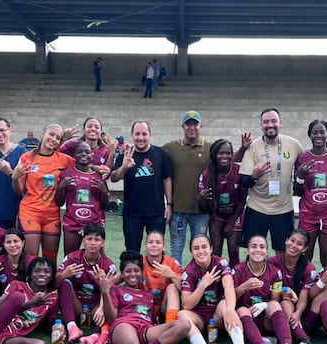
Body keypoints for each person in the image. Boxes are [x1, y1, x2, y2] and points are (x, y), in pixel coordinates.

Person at [98, 251, 191, 344]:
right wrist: (105, 293)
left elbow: (152, 319)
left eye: (136, 270)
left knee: (183, 325)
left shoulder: (148, 295)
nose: (132, 274)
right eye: (128, 271)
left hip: (145, 328)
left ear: (142, 273)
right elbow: (111, 318)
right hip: (124, 324)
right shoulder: (116, 289)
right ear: (122, 274)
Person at [239, 108, 303, 254]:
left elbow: (305, 166)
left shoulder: (294, 144)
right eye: (266, 122)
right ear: (261, 125)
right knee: (254, 252)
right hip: (257, 208)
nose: (270, 125)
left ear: (280, 123)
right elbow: (244, 182)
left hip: (283, 209)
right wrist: (254, 176)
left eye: (274, 121)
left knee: (283, 252)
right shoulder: (253, 147)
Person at [12, 123, 75, 264]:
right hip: (30, 212)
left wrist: (103, 169)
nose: (53, 139)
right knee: (30, 258)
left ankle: (50, 281)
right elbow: (19, 190)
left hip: (52, 215)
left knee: (50, 259)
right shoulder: (27, 157)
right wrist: (15, 178)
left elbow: (84, 164)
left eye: (58, 138)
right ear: (43, 133)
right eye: (51, 134)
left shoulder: (64, 160)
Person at [179, 234, 247, 344]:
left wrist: (230, 310)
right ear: (191, 252)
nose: (201, 251)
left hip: (217, 315)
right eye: (196, 248)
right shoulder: (189, 271)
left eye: (204, 247)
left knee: (225, 304)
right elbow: (186, 305)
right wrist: (203, 284)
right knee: (182, 315)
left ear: (211, 249)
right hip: (200, 317)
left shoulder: (220, 263)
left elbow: (229, 286)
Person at [232, 235, 297, 344]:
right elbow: (230, 298)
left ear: (267, 252)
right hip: (246, 319)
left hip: (267, 320)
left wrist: (264, 305)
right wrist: (244, 286)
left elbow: (275, 299)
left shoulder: (275, 272)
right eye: (254, 246)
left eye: (262, 247)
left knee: (275, 304)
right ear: (248, 250)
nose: (258, 250)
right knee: (242, 310)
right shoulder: (238, 270)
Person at [111, 120, 173, 252]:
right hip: (132, 214)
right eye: (137, 134)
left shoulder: (161, 154)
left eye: (144, 134)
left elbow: (167, 179)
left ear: (150, 135)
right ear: (132, 135)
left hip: (156, 213)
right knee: (132, 251)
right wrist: (124, 167)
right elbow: (114, 178)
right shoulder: (125, 154)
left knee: (156, 251)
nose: (140, 138)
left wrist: (169, 204)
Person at [294, 119, 327, 266]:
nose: (318, 135)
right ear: (309, 135)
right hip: (308, 215)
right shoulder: (302, 159)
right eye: (315, 132)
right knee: (304, 257)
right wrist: (300, 177)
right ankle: (305, 281)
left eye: (322, 132)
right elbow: (297, 191)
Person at [56, 223, 117, 344]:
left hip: (95, 307)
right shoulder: (72, 258)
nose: (93, 243)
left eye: (97, 239)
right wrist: (63, 275)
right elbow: (54, 284)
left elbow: (112, 291)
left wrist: (101, 306)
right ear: (84, 241)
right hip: (77, 304)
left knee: (112, 297)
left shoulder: (108, 265)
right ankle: (72, 327)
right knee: (64, 282)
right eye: (89, 239)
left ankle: (96, 336)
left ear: (103, 243)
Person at [163, 111, 212, 265]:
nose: (192, 127)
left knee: (200, 250)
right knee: (176, 248)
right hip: (178, 210)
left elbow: (228, 157)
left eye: (195, 124)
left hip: (201, 211)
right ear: (182, 126)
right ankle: (176, 278)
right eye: (188, 124)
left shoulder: (210, 148)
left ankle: (196, 277)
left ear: (201, 126)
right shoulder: (171, 148)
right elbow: (151, 154)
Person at [268, 229, 320, 344]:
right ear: (286, 241)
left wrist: (298, 313)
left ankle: (301, 336)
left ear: (304, 249)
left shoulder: (308, 268)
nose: (294, 245)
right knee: (286, 301)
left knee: (287, 302)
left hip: (301, 307)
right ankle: (302, 338)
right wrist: (286, 290)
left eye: (299, 244)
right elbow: (271, 292)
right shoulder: (272, 262)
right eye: (292, 241)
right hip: (277, 306)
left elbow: (304, 296)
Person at [198, 138, 247, 267]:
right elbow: (204, 207)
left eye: (228, 153)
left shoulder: (239, 171)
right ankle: (216, 276)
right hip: (217, 215)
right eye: (220, 153)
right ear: (214, 155)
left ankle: (235, 276)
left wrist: (230, 223)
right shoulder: (207, 174)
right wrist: (200, 199)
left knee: (233, 249)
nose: (224, 156)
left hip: (235, 214)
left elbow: (243, 201)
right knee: (216, 250)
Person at [55, 141, 109, 256]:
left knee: (95, 259)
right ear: (74, 155)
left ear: (92, 155)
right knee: (70, 257)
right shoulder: (67, 174)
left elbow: (104, 205)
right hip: (72, 223)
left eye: (87, 152)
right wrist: (61, 187)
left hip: (93, 224)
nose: (83, 154)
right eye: (79, 152)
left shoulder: (99, 176)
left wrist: (104, 191)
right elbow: (59, 202)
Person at [0, 228, 35, 310]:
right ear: (3, 244)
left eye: (16, 241)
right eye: (8, 242)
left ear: (23, 243)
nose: (12, 245)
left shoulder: (32, 262)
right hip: (3, 302)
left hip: (26, 303)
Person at [141, 231, 181, 326]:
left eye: (158, 242)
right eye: (150, 242)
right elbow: (123, 276)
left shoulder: (172, 263)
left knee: (172, 287)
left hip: (164, 308)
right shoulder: (139, 263)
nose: (154, 245)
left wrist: (172, 275)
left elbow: (185, 289)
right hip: (144, 307)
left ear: (164, 247)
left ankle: (170, 325)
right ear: (146, 245)